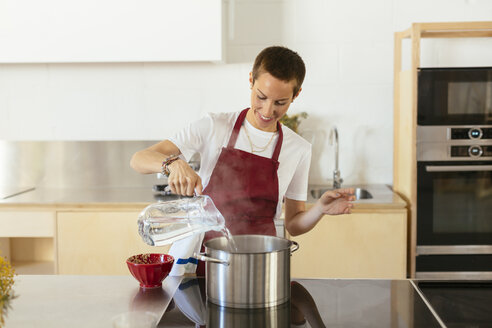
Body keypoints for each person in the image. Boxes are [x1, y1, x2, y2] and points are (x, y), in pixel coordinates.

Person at [130, 46, 354, 271]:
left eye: (280, 103)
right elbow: (139, 159)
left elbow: (294, 225)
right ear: (251, 80)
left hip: (261, 267)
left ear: (296, 95)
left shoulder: (298, 149)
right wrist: (173, 163)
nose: (267, 110)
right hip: (206, 260)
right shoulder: (215, 126)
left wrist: (320, 210)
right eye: (261, 97)